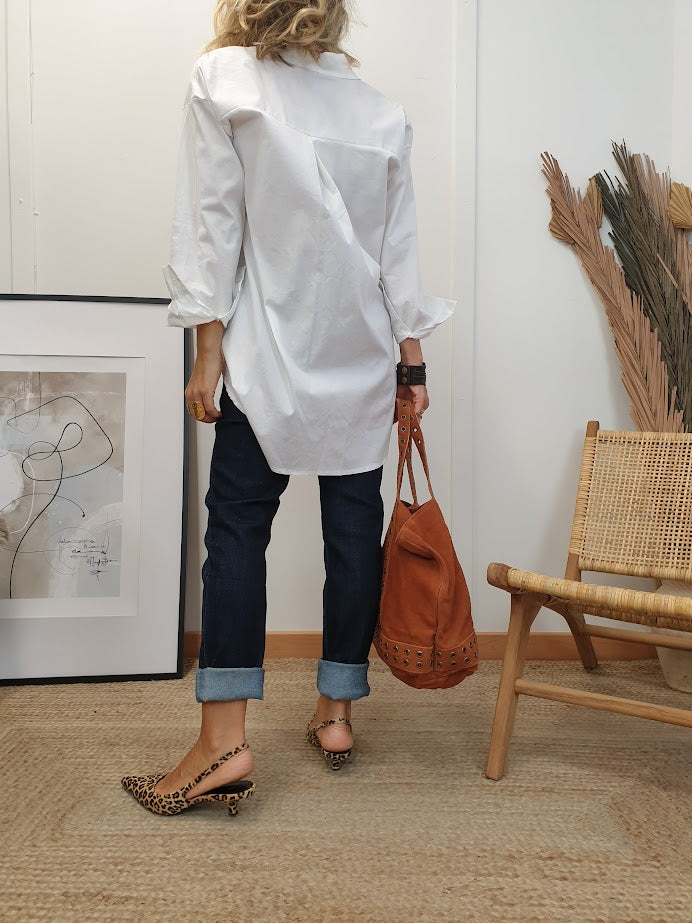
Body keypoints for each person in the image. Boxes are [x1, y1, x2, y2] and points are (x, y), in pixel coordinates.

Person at [122, 0, 456, 816]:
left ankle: (223, 740)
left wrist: (207, 351)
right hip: (361, 355)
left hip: (267, 351)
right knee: (352, 532)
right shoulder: (380, 112)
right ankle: (336, 711)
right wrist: (412, 363)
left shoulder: (226, 79)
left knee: (238, 528)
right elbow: (400, 252)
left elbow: (211, 226)